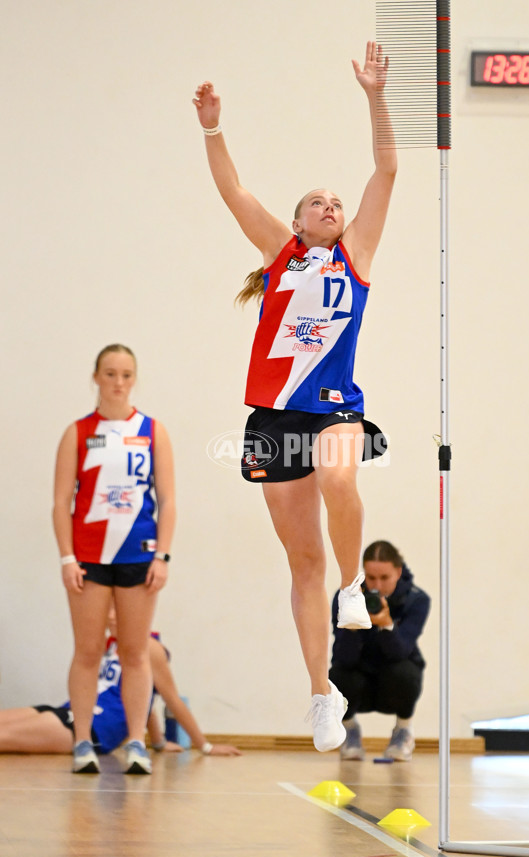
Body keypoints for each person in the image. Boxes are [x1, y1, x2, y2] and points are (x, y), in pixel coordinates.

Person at [193, 42, 397, 752]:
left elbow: (386, 169)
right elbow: (232, 189)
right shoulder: (279, 254)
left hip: (336, 405)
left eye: (336, 201)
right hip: (274, 416)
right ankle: (321, 693)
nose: (333, 204)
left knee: (340, 473)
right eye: (319, 201)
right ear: (299, 221)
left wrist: (374, 95)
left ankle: (353, 588)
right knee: (299, 562)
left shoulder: (357, 256)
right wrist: (214, 128)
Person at [53, 344, 176, 774]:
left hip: (138, 556)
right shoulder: (78, 432)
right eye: (109, 374)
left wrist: (162, 555)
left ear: (134, 379)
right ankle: (83, 740)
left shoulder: (153, 430)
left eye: (125, 374)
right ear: (96, 377)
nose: (118, 382)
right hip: (88, 557)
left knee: (135, 652)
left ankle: (137, 743)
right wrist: (67, 558)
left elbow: (168, 500)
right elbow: (60, 502)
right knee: (88, 651)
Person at [0, 607, 241, 763]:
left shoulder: (150, 648)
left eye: (118, 608)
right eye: (108, 609)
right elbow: (142, 698)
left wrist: (205, 746)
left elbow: (171, 699)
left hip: (97, 729)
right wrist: (157, 741)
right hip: (70, 711)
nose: (113, 615)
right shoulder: (112, 645)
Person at [329, 540, 430, 761]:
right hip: (358, 679)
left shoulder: (416, 600)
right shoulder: (345, 598)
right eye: (371, 578)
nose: (377, 586)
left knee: (407, 672)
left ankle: (403, 731)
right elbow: (343, 659)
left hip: (392, 682)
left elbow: (401, 652)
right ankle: (349, 730)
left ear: (398, 572)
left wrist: (386, 625)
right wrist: (353, 627)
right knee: (337, 676)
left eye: (385, 578)